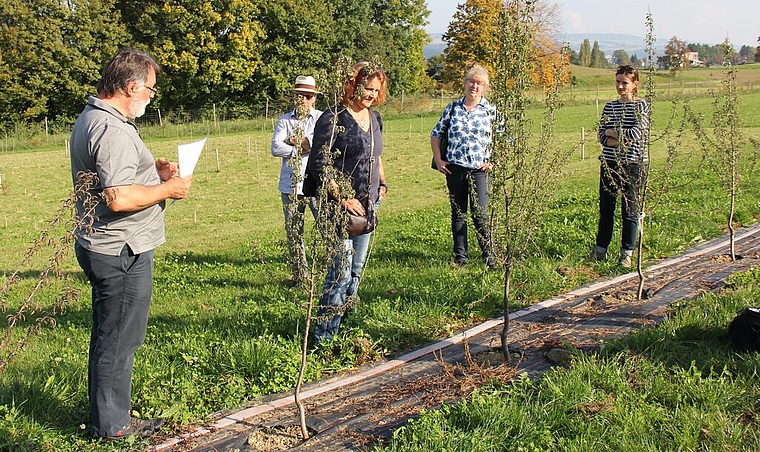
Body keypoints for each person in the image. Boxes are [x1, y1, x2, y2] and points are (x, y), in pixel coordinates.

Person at [70, 47, 192, 441]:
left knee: (114, 334)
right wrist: (168, 189)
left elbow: (115, 179)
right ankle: (112, 426)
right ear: (131, 86)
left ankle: (109, 415)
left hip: (105, 243)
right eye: (150, 90)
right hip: (120, 249)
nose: (152, 97)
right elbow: (119, 198)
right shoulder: (112, 129)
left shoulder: (95, 117)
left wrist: (153, 174)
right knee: (119, 338)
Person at [304, 62, 388, 344]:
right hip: (338, 207)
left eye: (376, 91)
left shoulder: (374, 118)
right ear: (353, 85)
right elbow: (319, 164)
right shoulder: (333, 117)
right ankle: (323, 338)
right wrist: (343, 197)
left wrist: (382, 183)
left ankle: (344, 324)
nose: (371, 95)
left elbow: (376, 155)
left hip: (368, 204)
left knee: (356, 271)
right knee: (340, 271)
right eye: (367, 89)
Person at [430, 63, 497, 268]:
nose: (474, 86)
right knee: (459, 213)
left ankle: (490, 257)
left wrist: (494, 161)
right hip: (455, 168)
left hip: (479, 170)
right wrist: (439, 159)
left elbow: (505, 138)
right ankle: (461, 257)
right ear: (465, 83)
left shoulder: (491, 111)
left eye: (479, 83)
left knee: (481, 214)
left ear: (484, 88)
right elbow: (436, 134)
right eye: (471, 81)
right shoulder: (452, 108)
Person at [589, 64, 649, 268]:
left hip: (632, 164)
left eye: (625, 83)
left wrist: (613, 133)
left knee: (629, 210)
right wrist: (618, 135)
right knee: (606, 209)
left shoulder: (641, 107)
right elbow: (601, 136)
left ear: (634, 84)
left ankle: (627, 253)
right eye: (618, 82)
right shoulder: (609, 107)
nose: (620, 87)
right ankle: (600, 249)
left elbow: (636, 135)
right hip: (609, 163)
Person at [271, 75, 322, 285]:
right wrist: (303, 146)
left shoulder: (321, 118)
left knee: (326, 226)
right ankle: (300, 276)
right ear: (294, 96)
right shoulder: (284, 120)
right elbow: (275, 147)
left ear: (313, 99)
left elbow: (319, 146)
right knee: (294, 232)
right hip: (290, 186)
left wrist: (292, 142)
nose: (303, 100)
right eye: (300, 95)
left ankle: (330, 271)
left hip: (317, 184)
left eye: (308, 96)